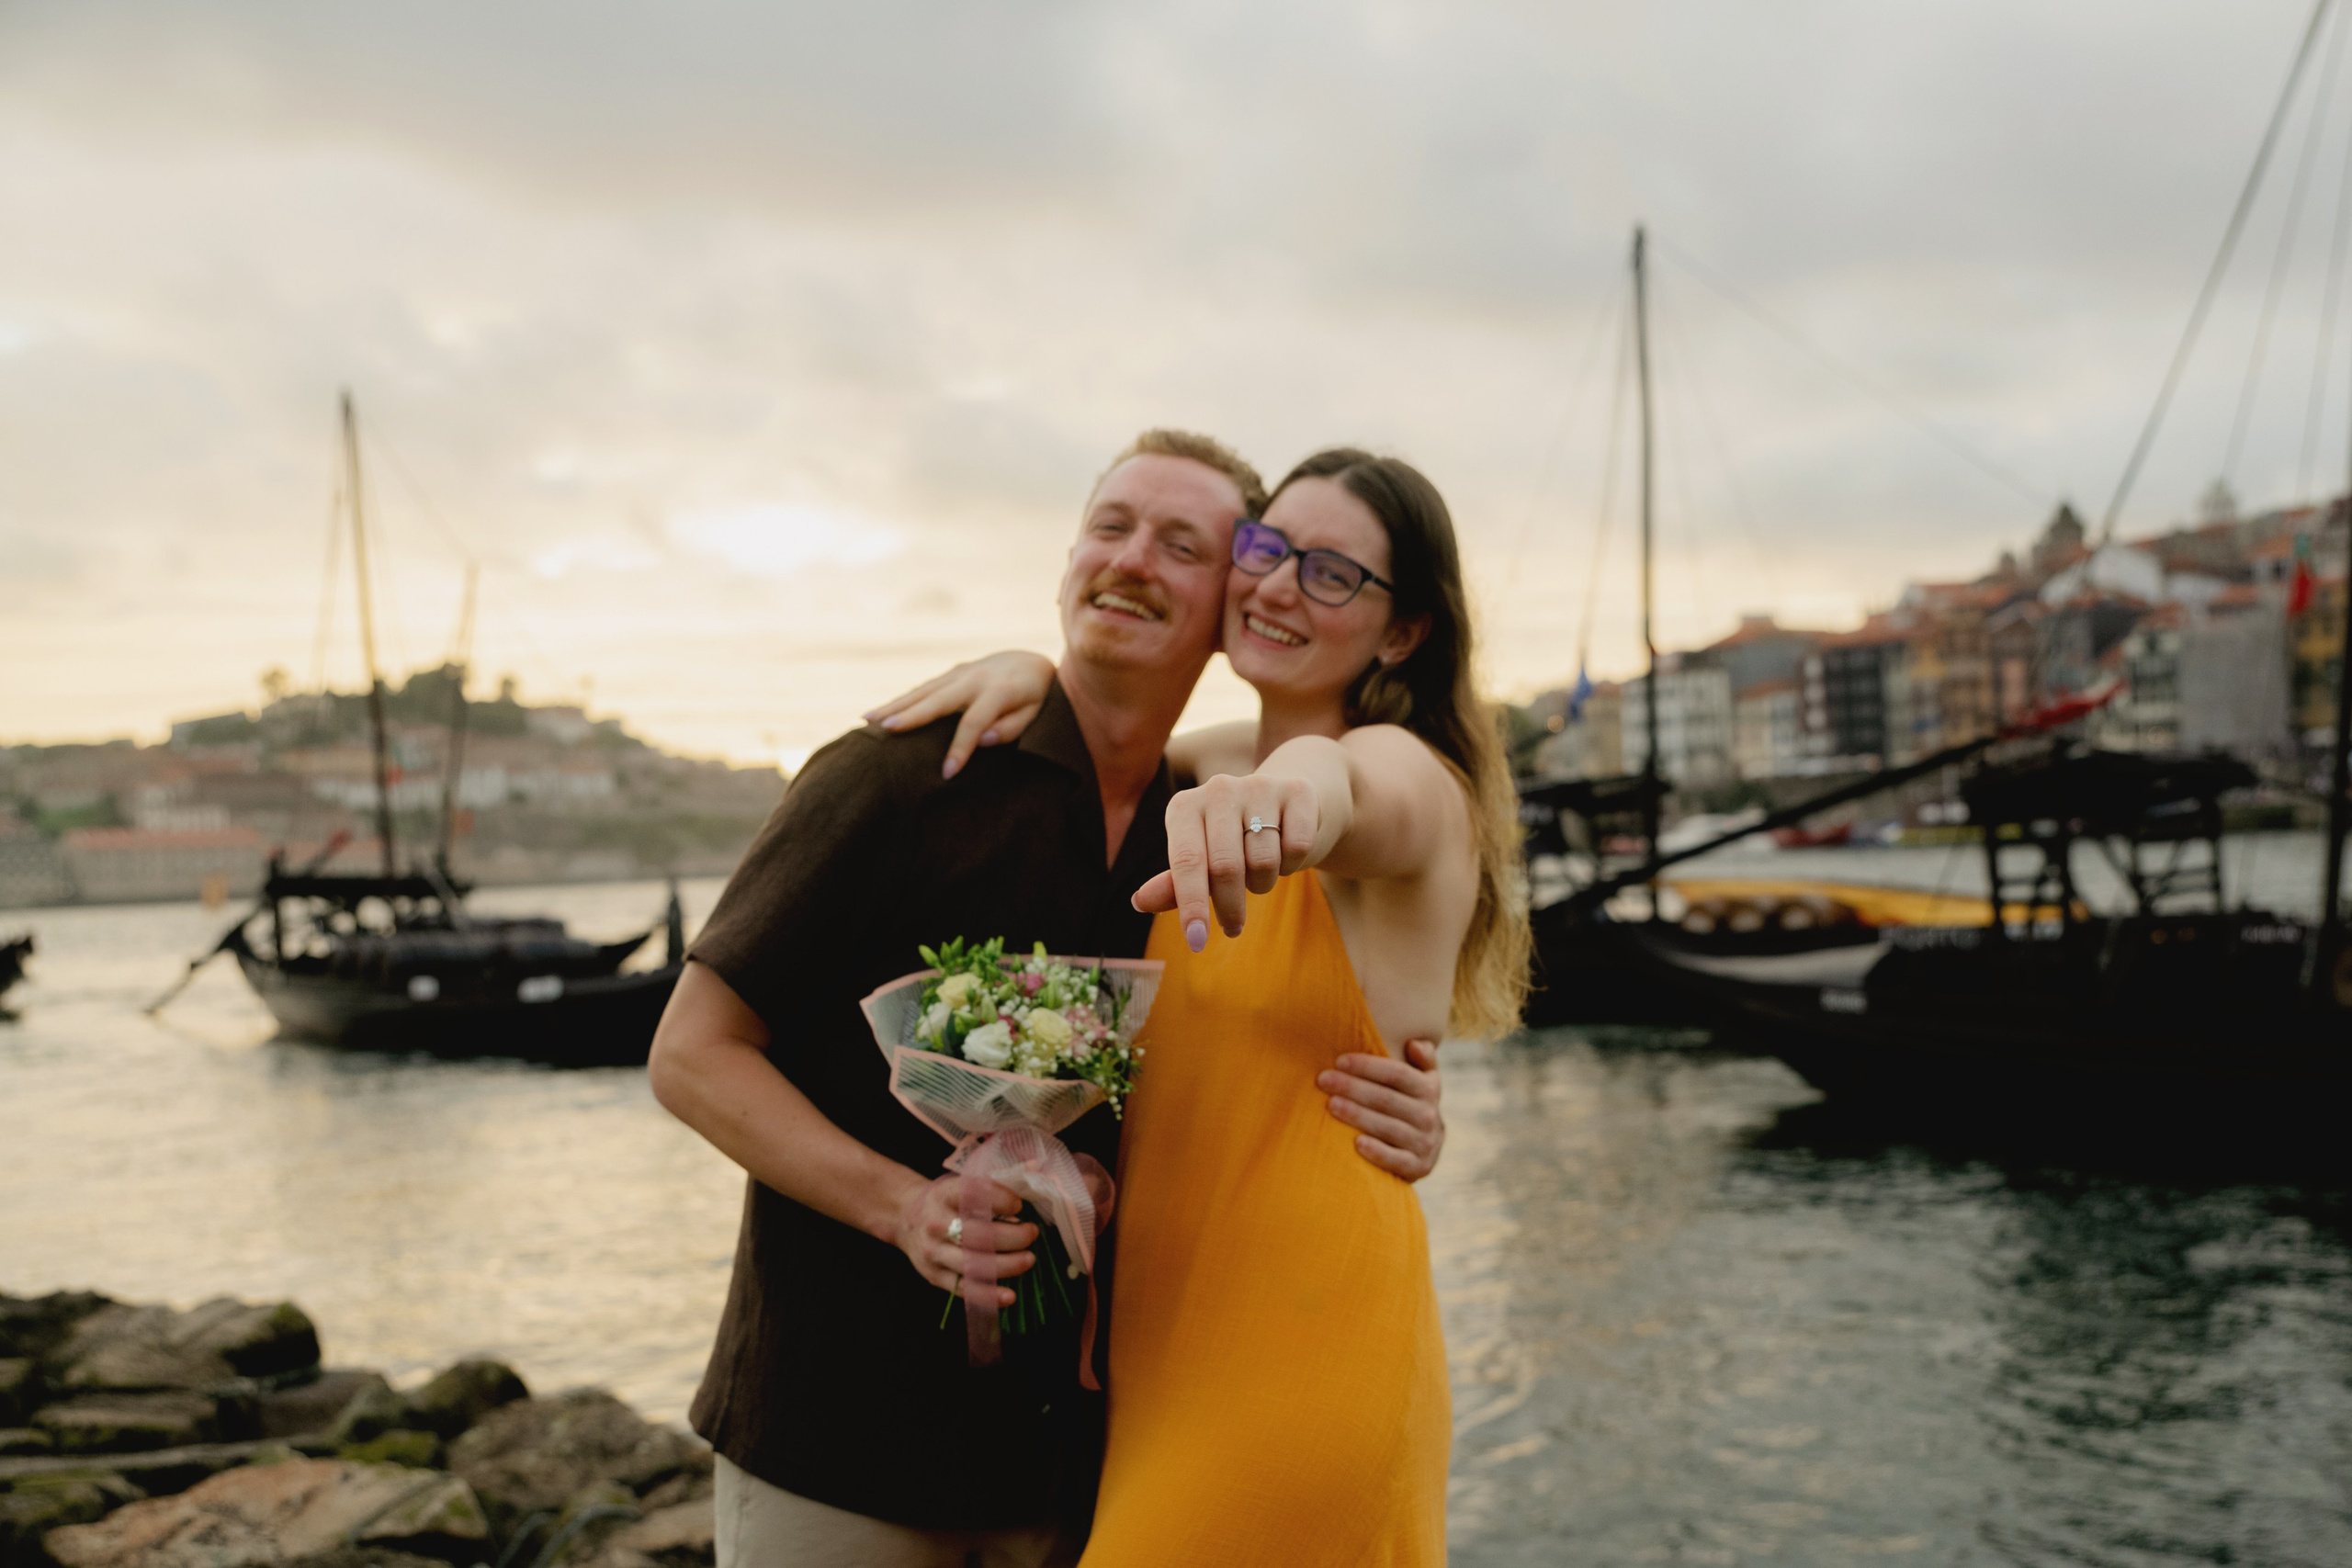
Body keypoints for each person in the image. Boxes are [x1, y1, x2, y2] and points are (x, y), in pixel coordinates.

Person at [647, 431, 1452, 1568]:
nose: (1130, 561)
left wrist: (1405, 1085)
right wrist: (898, 1208)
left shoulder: (1200, 812)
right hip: (836, 1436)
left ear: (1231, 596)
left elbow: (1339, 822)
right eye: (1109, 527)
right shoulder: (903, 771)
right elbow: (689, 1053)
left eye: (1184, 544)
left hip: (1069, 1463)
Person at [870, 447, 1530, 1563]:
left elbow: (1342, 793)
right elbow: (1104, 736)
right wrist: (1031, 666)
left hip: (1305, 1351)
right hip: (1156, 1357)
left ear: (1403, 632)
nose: (1276, 585)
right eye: (1268, 549)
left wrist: (1282, 805)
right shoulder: (1202, 765)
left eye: (1331, 574)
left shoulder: (1405, 777)